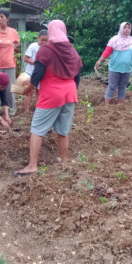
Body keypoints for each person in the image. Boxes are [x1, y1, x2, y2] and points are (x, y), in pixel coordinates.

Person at [15, 20, 83, 176]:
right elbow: (77, 76)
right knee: (63, 131)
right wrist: (72, 91)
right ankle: (65, 161)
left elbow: (38, 74)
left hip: (52, 94)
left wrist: (28, 89)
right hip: (70, 93)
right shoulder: (72, 51)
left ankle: (32, 165)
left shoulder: (45, 50)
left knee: (37, 130)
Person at [94, 22, 132, 104]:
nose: (127, 29)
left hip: (127, 68)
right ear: (121, 29)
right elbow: (107, 52)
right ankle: (106, 106)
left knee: (122, 86)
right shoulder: (114, 40)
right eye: (125, 27)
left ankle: (120, 104)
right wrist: (99, 61)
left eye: (128, 28)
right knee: (112, 86)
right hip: (115, 68)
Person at [23, 29, 48, 112]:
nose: (44, 42)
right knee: (29, 92)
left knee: (39, 92)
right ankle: (26, 110)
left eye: (46, 40)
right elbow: (26, 58)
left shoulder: (48, 48)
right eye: (42, 40)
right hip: (30, 72)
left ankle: (38, 109)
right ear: (38, 38)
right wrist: (35, 63)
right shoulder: (33, 46)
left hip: (41, 74)